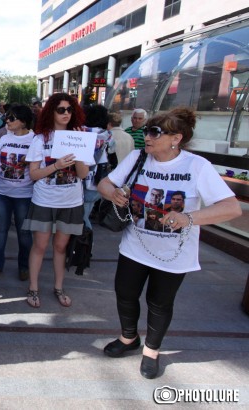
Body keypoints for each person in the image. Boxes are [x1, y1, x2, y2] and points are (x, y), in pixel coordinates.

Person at [97, 107, 241, 379]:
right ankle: (129, 338)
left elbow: (231, 208)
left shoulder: (196, 166)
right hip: (135, 245)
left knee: (159, 302)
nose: (146, 136)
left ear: (176, 138)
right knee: (125, 294)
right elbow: (104, 184)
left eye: (153, 132)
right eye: (146, 130)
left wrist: (189, 217)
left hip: (174, 254)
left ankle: (152, 350)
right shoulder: (140, 157)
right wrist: (114, 193)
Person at [22, 93, 89, 309]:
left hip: (70, 202)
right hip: (44, 200)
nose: (66, 114)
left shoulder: (79, 136)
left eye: (70, 109)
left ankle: (59, 287)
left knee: (61, 247)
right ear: (51, 112)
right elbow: (33, 175)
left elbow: (83, 174)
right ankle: (33, 288)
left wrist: (79, 150)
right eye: (61, 109)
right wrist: (56, 166)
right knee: (40, 245)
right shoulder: (40, 139)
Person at [0, 104, 35, 281]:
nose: (7, 121)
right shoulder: (4, 138)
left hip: (25, 195)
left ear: (23, 121)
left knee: (24, 233)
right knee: (0, 230)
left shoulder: (34, 140)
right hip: (2, 193)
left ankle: (24, 267)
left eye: (12, 118)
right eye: (7, 117)